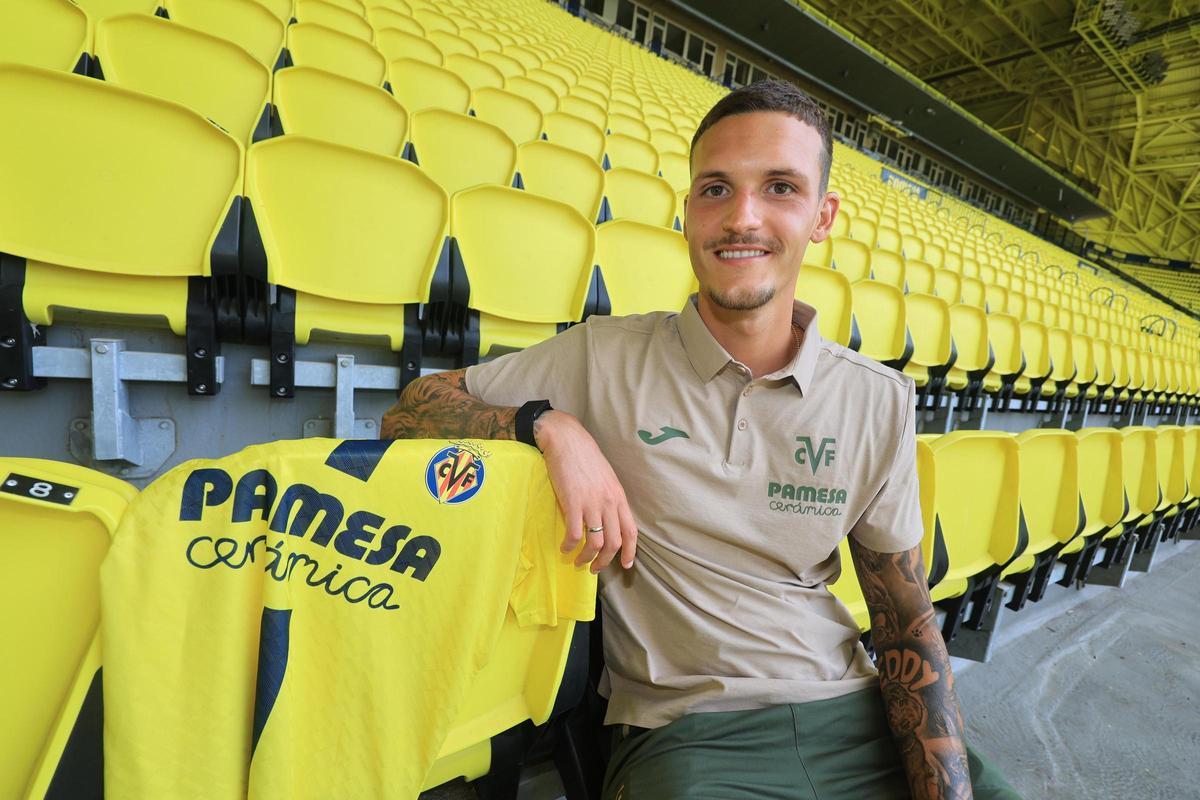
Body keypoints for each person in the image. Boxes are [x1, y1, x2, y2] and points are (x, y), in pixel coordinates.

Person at [382, 79, 1021, 800]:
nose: (741, 218)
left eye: (780, 188)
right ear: (688, 212)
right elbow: (411, 409)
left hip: (854, 710)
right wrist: (544, 425)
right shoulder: (602, 356)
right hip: (689, 732)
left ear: (822, 216)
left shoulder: (878, 400)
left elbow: (904, 621)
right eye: (716, 189)